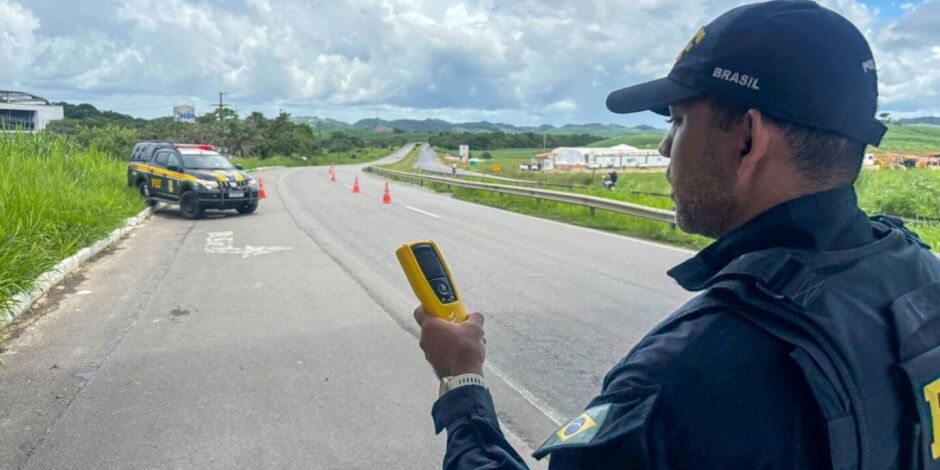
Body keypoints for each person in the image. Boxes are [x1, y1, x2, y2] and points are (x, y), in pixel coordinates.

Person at [413, 1, 940, 469]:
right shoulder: (920, 276)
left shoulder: (686, 376)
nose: (666, 148)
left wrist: (463, 383)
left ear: (748, 139)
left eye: (679, 121)